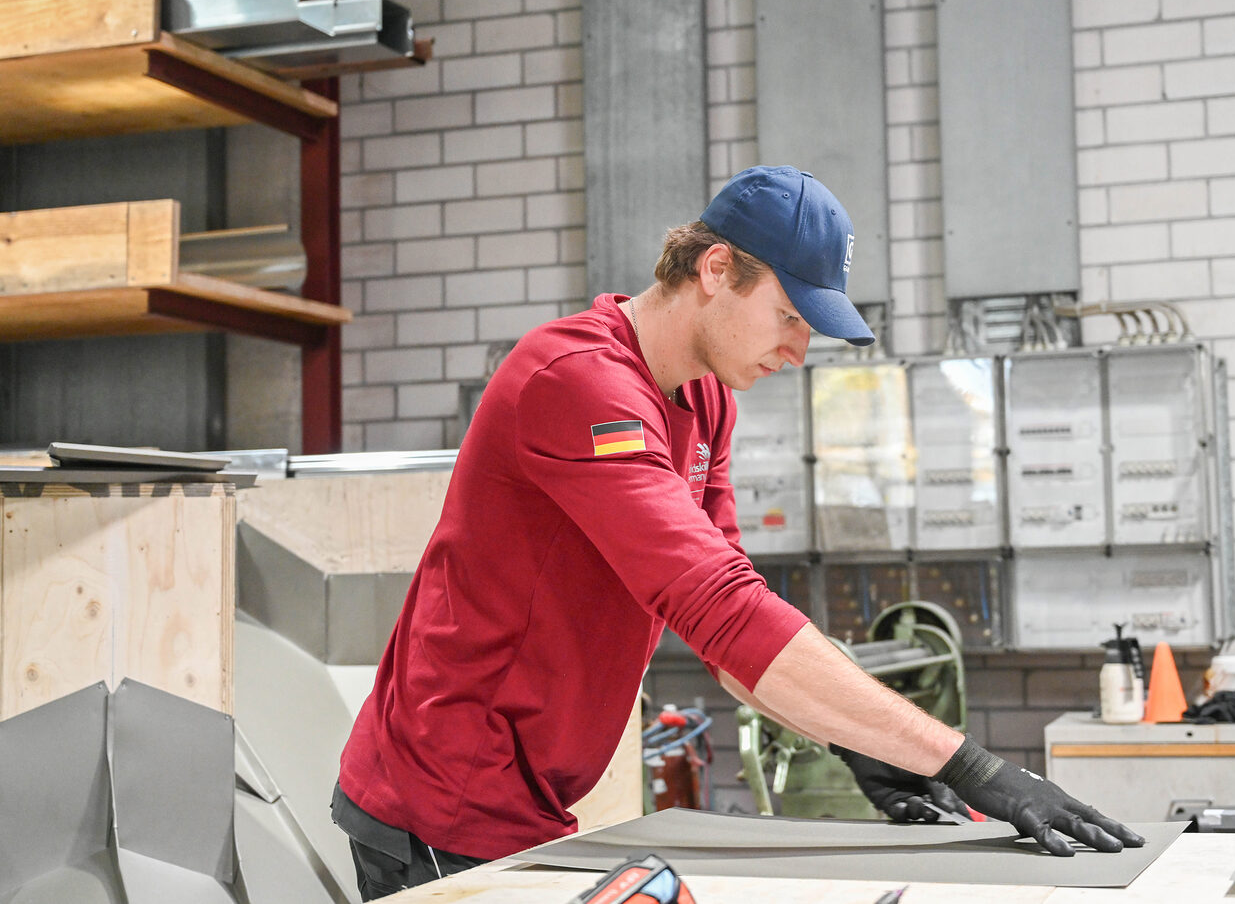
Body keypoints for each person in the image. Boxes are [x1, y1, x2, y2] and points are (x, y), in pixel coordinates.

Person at [332, 165, 1143, 900]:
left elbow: (730, 642)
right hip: (444, 801)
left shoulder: (705, 401)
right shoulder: (576, 381)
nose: (798, 350)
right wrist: (972, 767)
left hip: (528, 796)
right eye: (789, 316)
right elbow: (718, 606)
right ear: (715, 270)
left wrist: (862, 745)